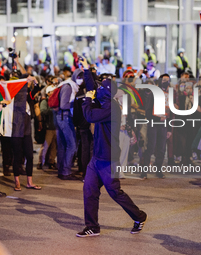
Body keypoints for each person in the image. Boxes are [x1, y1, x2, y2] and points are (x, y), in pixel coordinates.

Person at [76, 56, 147, 237]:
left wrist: (87, 99)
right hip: (97, 157)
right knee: (89, 191)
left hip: (108, 158)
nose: (96, 89)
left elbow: (90, 115)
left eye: (100, 88)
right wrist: (86, 69)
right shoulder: (104, 100)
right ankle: (92, 226)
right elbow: (93, 89)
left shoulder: (112, 107)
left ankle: (139, 216)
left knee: (115, 192)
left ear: (106, 93)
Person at [141, 74, 172, 179]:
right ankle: (144, 171)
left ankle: (158, 170)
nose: (166, 82)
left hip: (163, 126)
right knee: (150, 147)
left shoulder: (169, 94)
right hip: (154, 124)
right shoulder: (153, 94)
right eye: (164, 80)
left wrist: (169, 128)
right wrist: (158, 119)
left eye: (167, 80)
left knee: (162, 149)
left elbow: (170, 113)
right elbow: (148, 112)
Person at [56, 69, 83, 180]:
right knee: (72, 145)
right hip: (65, 117)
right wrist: (76, 103)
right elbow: (63, 104)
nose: (81, 80)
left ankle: (62, 171)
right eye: (79, 77)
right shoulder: (68, 86)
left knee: (63, 146)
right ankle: (66, 171)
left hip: (62, 117)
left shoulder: (70, 85)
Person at [38, 85, 57, 170]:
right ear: (48, 93)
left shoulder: (56, 101)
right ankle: (40, 162)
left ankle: (51, 162)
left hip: (56, 127)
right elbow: (43, 111)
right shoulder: (45, 102)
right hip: (49, 127)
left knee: (54, 146)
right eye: (52, 91)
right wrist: (53, 110)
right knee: (45, 146)